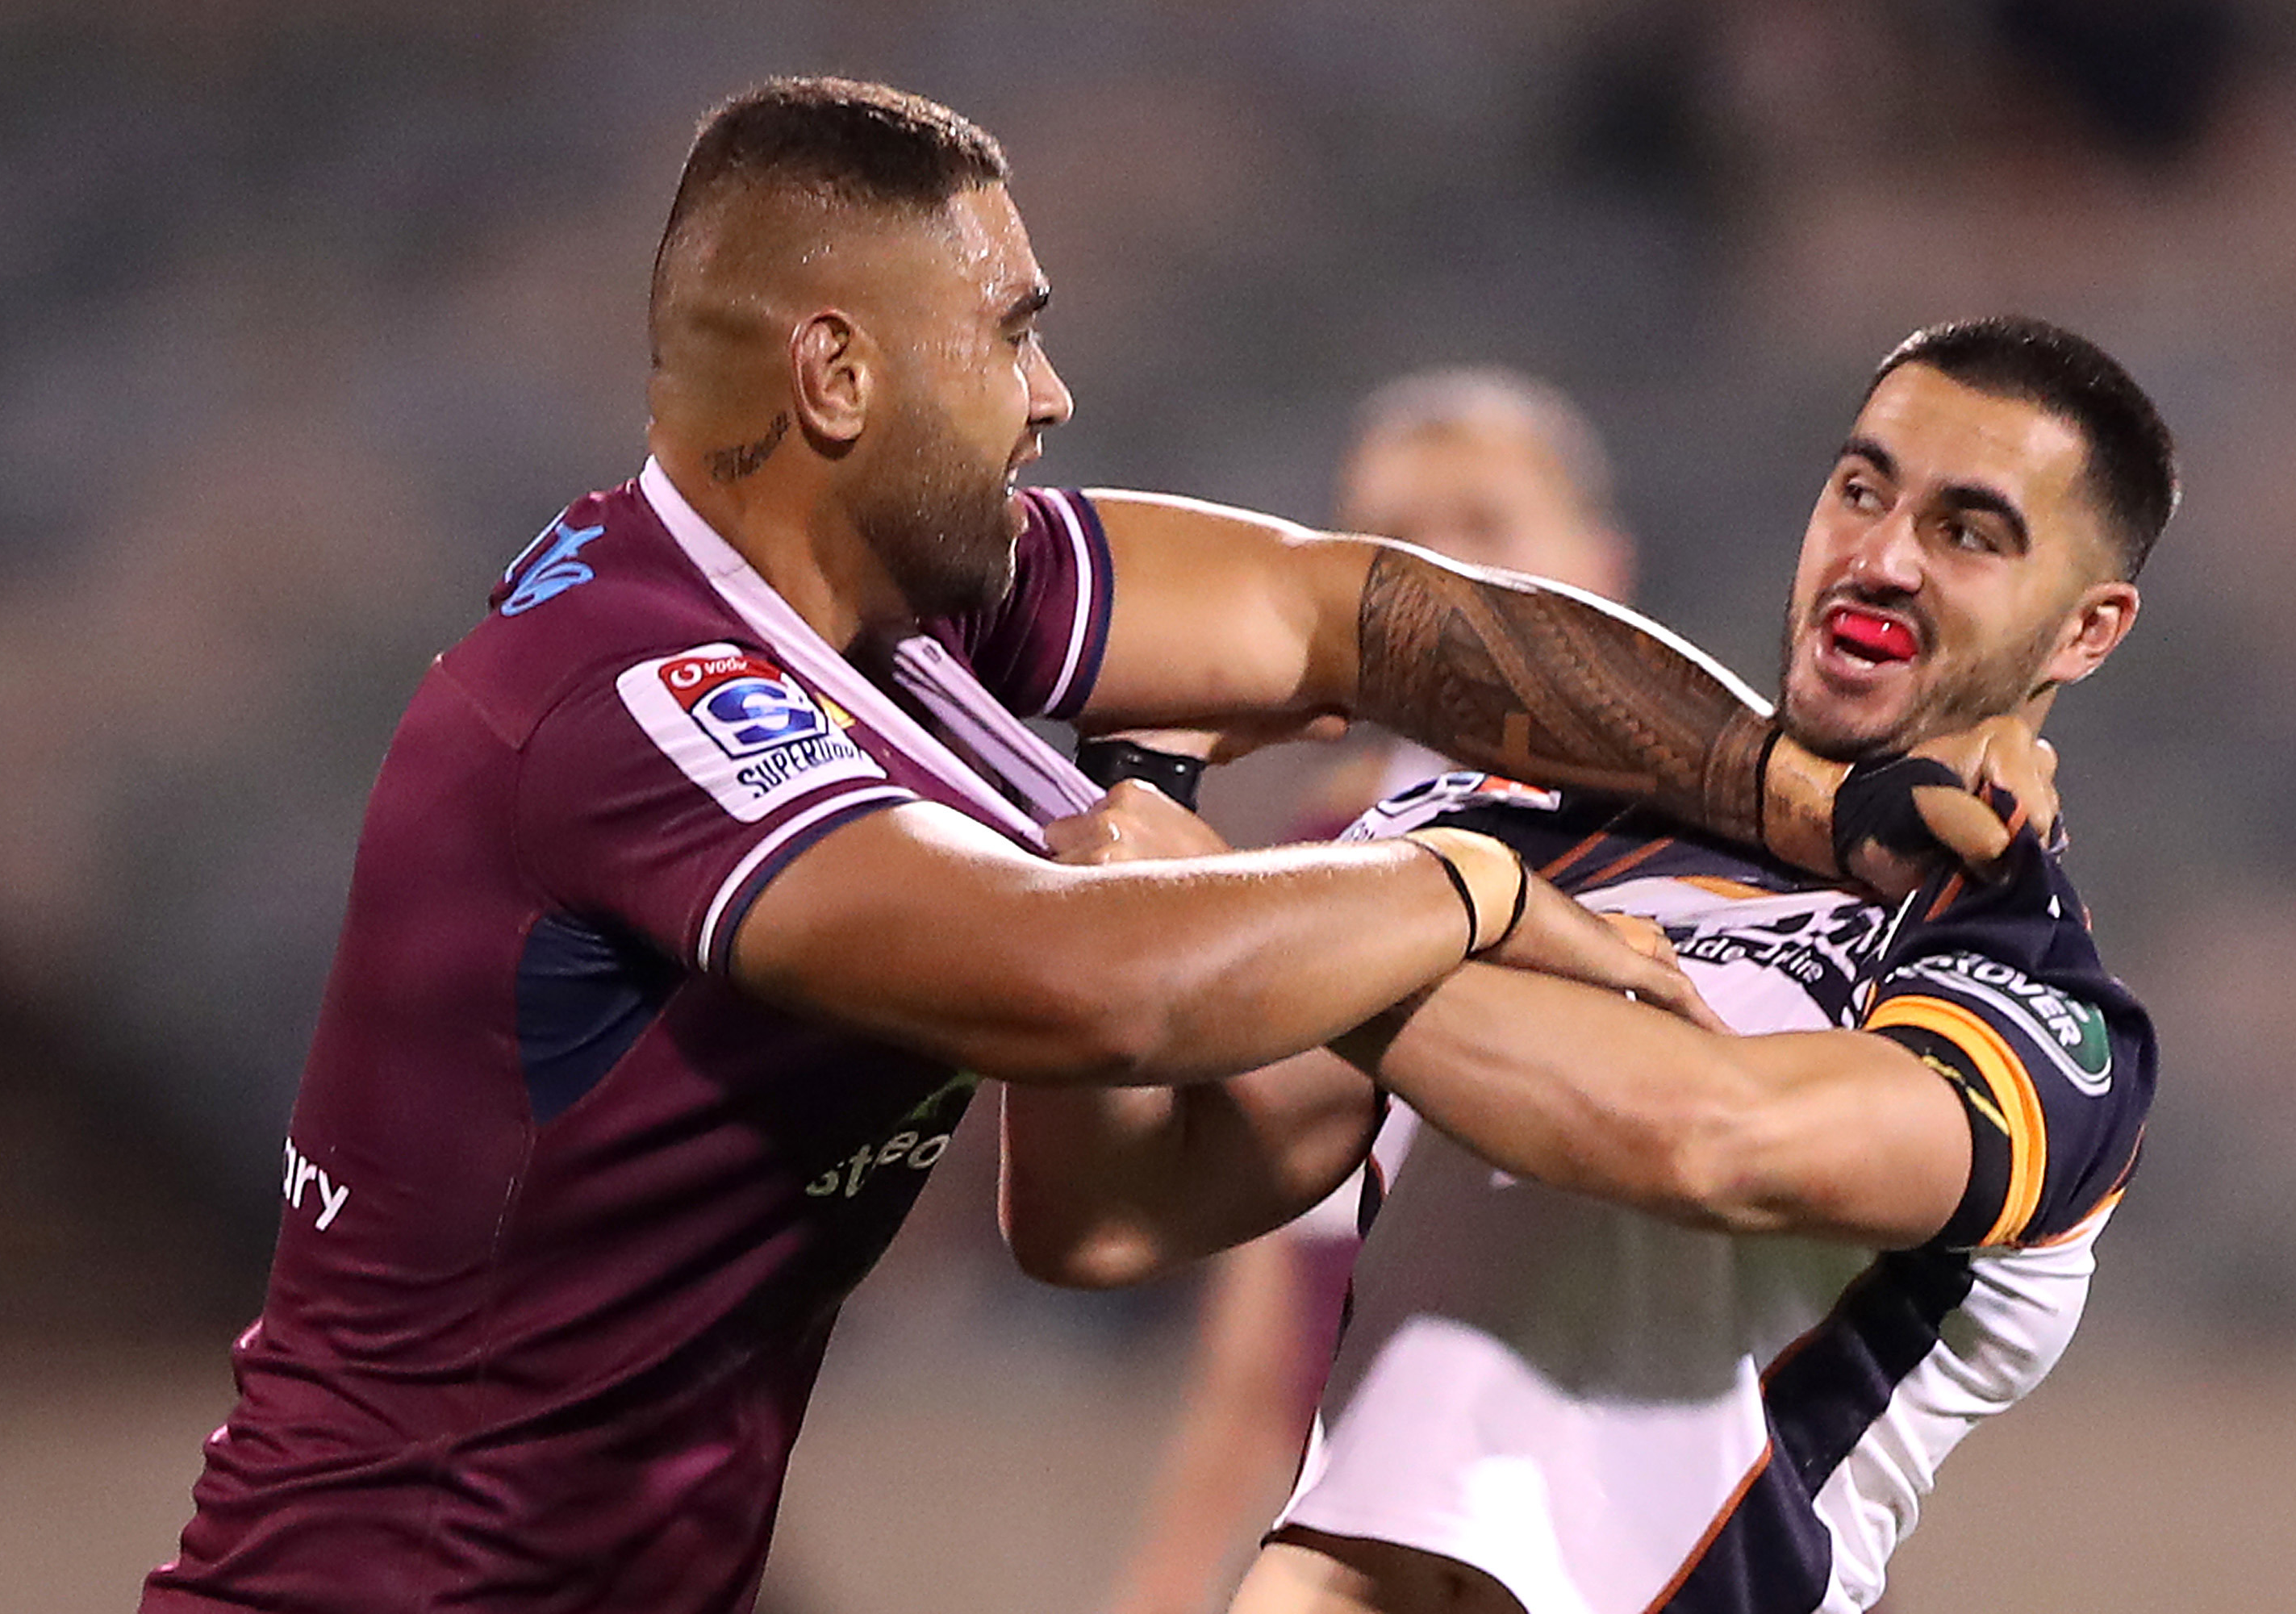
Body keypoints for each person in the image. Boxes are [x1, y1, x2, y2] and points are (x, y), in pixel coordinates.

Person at [139, 77, 2040, 1614]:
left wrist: (1797, 792)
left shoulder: (907, 598)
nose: (1051, 391)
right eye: (1010, 332)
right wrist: (1466, 887)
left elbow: (1350, 616)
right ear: (836, 377)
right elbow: (1084, 983)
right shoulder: (633, 696)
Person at [1003, 315, 2171, 1614]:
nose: (1881, 556)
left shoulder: (2035, 997)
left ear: (2088, 629)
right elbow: (1102, 1218)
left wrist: (1384, 917)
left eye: (1967, 531)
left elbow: (1709, 1138)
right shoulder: (1525, 826)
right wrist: (1131, 814)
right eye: (1861, 489)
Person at [1102, 367, 1640, 1614]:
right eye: (1395, 542)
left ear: (1602, 562)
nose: (1439, 581)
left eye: (1487, 528)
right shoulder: (1314, 864)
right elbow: (1277, 1312)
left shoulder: (1722, 846)